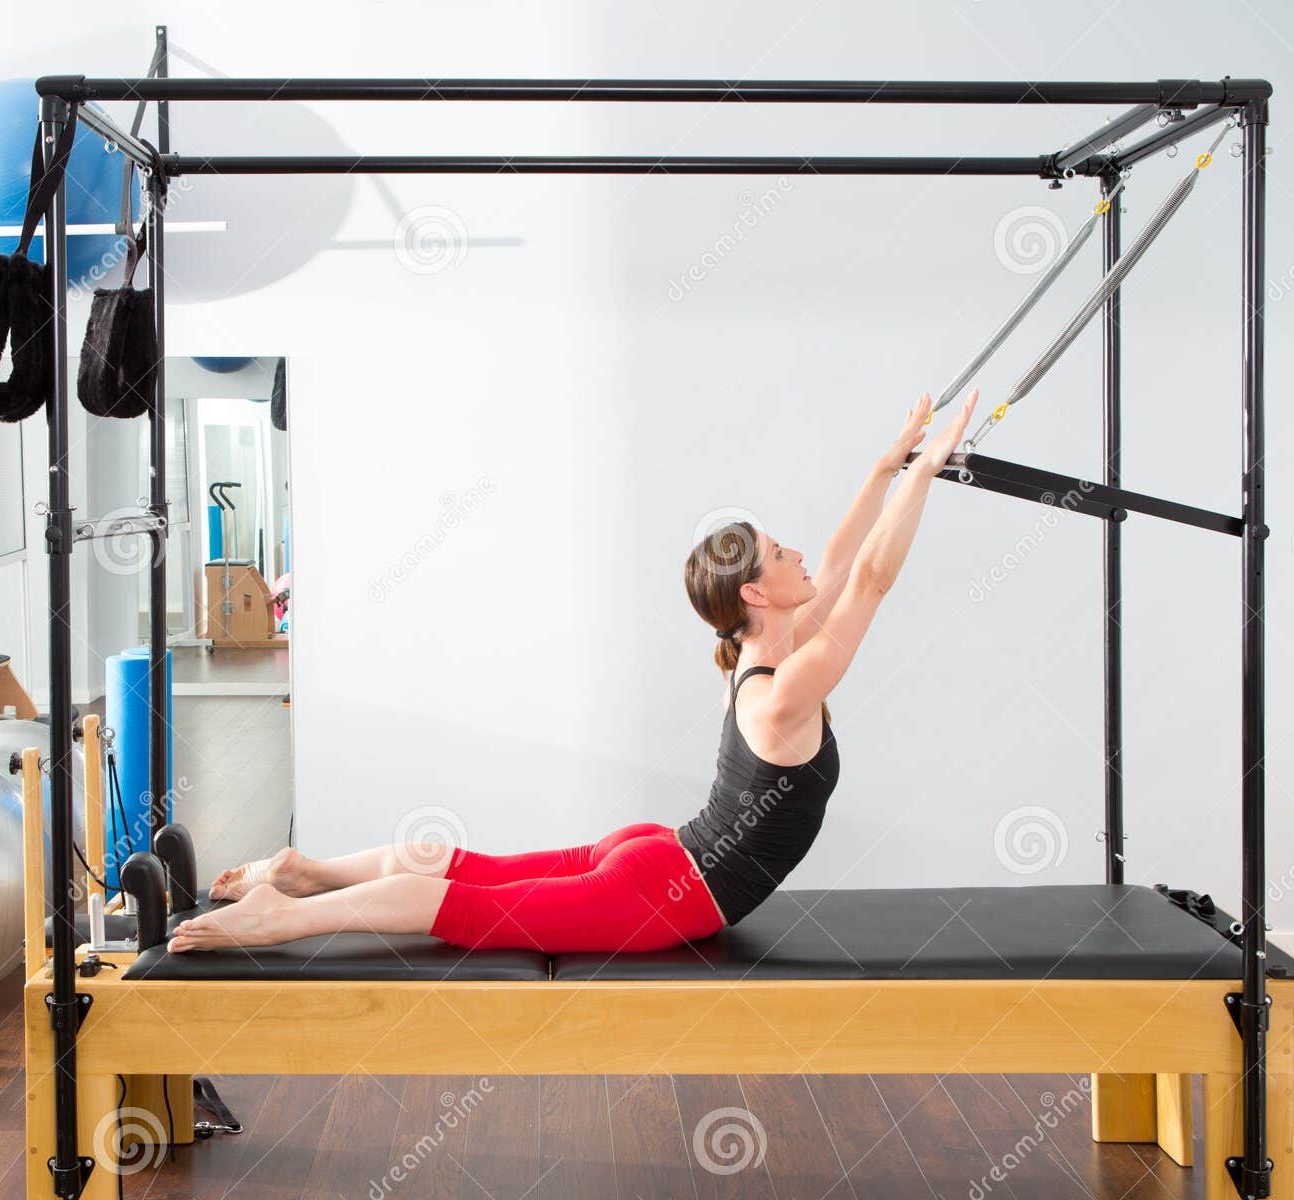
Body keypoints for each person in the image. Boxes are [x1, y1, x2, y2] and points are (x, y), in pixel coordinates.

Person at [168, 389, 979, 954]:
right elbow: (869, 577)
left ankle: (310, 870)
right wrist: (925, 471)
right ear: (760, 591)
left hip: (659, 855)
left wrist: (889, 466)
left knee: (468, 872)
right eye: (778, 552)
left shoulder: (770, 658)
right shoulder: (783, 695)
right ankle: (281, 915)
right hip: (666, 891)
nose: (799, 551)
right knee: (460, 907)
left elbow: (845, 562)